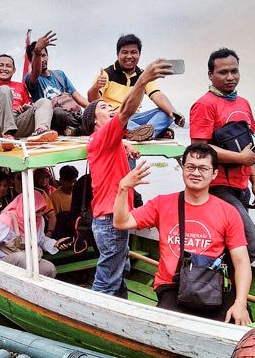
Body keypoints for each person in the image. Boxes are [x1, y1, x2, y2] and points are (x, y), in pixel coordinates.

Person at [113, 143, 252, 325]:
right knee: (164, 329)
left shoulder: (228, 211)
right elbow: (121, 222)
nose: (196, 173)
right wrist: (123, 189)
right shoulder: (162, 204)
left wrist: (240, 303)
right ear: (182, 169)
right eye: (191, 167)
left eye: (203, 168)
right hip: (173, 286)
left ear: (214, 174)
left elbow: (242, 262)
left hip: (212, 284)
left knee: (242, 324)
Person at [84, 58, 174, 298]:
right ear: (94, 121)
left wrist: (124, 144)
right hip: (110, 220)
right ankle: (95, 318)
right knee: (106, 281)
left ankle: (121, 304)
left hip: (110, 218)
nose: (110, 109)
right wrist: (143, 80)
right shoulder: (102, 136)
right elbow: (126, 111)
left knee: (117, 271)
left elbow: (120, 125)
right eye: (103, 107)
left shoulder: (109, 140)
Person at [189, 48, 255, 262]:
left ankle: (223, 290)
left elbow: (250, 149)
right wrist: (241, 159)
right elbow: (200, 151)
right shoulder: (205, 104)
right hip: (217, 187)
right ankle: (218, 287)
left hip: (242, 188)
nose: (230, 77)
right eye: (223, 72)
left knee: (232, 245)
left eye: (234, 71)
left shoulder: (243, 104)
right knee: (251, 246)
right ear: (210, 75)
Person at [87, 34, 184, 141]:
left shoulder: (144, 75)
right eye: (125, 52)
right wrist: (96, 87)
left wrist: (174, 113)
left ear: (139, 54)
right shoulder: (106, 73)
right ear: (118, 54)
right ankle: (148, 132)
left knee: (166, 113)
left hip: (135, 117)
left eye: (133, 52)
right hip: (115, 117)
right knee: (120, 119)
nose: (129, 56)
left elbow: (157, 95)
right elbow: (92, 101)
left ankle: (141, 133)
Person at [0, 191, 72, 277]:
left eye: (42, 210)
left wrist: (56, 243)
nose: (40, 214)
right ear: (26, 207)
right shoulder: (8, 219)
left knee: (49, 268)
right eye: (36, 211)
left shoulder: (39, 220)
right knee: (22, 258)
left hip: (29, 259)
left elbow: (41, 240)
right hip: (3, 261)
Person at [25, 31, 89, 136]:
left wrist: (94, 108)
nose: (42, 59)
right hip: (52, 119)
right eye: (38, 56)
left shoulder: (59, 74)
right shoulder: (31, 78)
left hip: (70, 114)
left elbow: (76, 96)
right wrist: (37, 50)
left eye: (44, 55)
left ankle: (79, 129)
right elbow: (35, 72)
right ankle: (86, 126)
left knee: (89, 113)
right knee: (57, 112)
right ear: (31, 60)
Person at [50, 165, 79, 238]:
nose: (72, 185)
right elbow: (55, 218)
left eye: (74, 181)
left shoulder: (80, 193)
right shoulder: (55, 196)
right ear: (61, 181)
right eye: (69, 182)